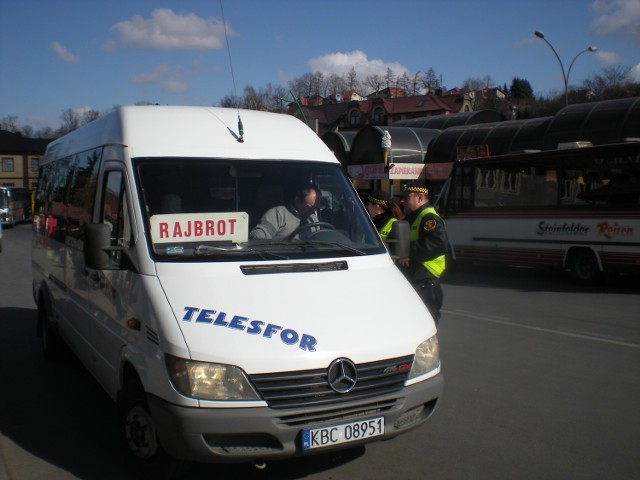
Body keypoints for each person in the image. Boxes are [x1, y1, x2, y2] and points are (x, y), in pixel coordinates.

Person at [397, 181, 448, 324]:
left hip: (425, 278)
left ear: (419, 198)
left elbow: (437, 244)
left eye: (406, 197)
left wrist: (408, 253)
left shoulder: (429, 218)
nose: (402, 201)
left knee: (426, 323)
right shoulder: (413, 217)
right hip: (416, 277)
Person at [250, 183, 321, 240]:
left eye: (315, 208)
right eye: (308, 207)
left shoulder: (313, 219)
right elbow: (258, 237)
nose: (311, 212)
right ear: (297, 200)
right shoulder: (278, 214)